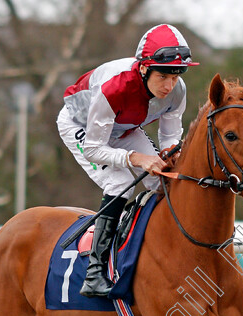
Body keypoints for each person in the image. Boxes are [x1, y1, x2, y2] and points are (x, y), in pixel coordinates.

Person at [57, 24, 198, 297]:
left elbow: (170, 139)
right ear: (144, 68)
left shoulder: (178, 90)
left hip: (123, 128)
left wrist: (172, 156)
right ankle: (94, 272)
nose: (170, 85)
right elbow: (94, 149)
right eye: (163, 76)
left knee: (162, 180)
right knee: (121, 178)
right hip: (82, 127)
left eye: (177, 75)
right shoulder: (115, 87)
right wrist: (136, 158)